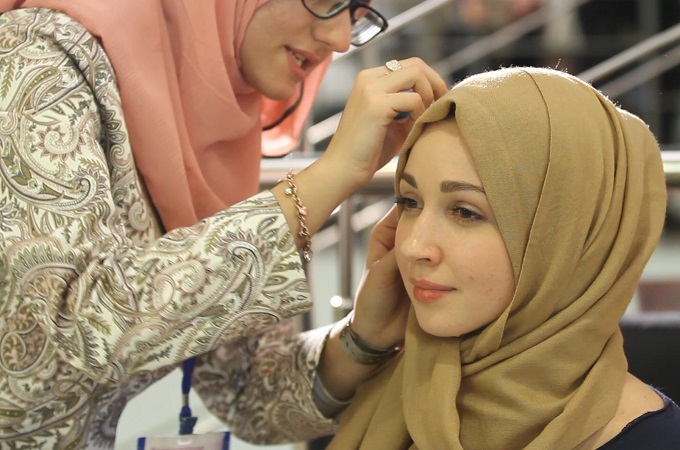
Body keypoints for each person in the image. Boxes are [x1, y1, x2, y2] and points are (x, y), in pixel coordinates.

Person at [0, 1, 448, 449]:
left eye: (354, 14)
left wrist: (363, 337)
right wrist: (331, 175)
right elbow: (76, 325)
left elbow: (246, 385)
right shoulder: (37, 55)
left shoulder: (203, 119)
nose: (340, 39)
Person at [321, 66, 680, 449]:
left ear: (566, 235)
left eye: (465, 212)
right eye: (410, 202)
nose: (412, 247)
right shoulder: (388, 392)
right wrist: (363, 339)